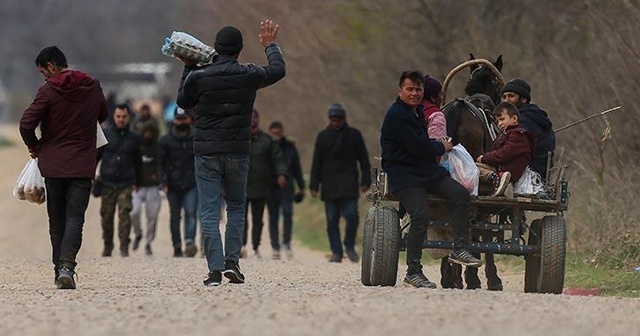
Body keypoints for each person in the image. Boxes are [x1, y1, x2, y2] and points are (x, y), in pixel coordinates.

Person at [176, 20, 286, 286]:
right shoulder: (248, 74)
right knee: (237, 207)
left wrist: (188, 65)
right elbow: (278, 70)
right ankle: (232, 263)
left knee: (210, 211)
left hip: (206, 151)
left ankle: (214, 270)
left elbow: (182, 102)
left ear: (215, 48)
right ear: (239, 50)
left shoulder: (199, 77)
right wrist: (270, 45)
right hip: (238, 150)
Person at [380, 70, 482, 288]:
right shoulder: (397, 115)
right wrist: (441, 146)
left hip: (424, 170)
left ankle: (460, 248)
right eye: (410, 89)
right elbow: (418, 146)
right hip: (404, 173)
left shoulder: (415, 112)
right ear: (400, 91)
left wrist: (435, 148)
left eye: (418, 89)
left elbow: (421, 148)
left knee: (460, 195)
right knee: (420, 215)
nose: (414, 93)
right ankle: (413, 271)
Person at [19, 46, 108, 289]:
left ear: (50, 65)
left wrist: (35, 146)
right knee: (75, 219)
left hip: (54, 165)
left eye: (42, 71)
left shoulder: (48, 91)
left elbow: (26, 123)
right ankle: (67, 267)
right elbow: (103, 113)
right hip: (82, 164)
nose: (43, 77)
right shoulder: (93, 85)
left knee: (56, 221)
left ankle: (59, 270)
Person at [310, 103, 371, 263]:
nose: (336, 122)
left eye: (338, 119)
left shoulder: (354, 135)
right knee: (331, 220)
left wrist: (366, 181)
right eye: (333, 119)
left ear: (344, 119)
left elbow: (363, 159)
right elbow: (316, 162)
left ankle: (349, 246)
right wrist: (314, 185)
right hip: (329, 184)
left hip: (349, 183)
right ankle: (336, 251)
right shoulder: (322, 136)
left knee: (352, 216)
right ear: (329, 119)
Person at [98, 104, 142, 258]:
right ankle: (107, 246)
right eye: (118, 117)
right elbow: (95, 157)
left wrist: (139, 181)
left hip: (126, 183)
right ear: (114, 117)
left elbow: (139, 162)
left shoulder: (135, 138)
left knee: (125, 214)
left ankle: (124, 246)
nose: (121, 119)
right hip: (107, 182)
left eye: (124, 117)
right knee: (107, 217)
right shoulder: (105, 135)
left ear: (128, 117)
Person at [243, 109, 287, 259]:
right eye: (249, 117)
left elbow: (278, 159)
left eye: (254, 117)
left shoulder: (267, 140)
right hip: (241, 186)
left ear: (258, 119)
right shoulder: (239, 138)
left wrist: (281, 174)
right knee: (240, 218)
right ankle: (241, 246)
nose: (252, 120)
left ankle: (255, 247)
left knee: (258, 220)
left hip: (261, 187)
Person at [158, 108, 198, 257]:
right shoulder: (165, 140)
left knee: (190, 212)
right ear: (174, 120)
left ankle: (189, 242)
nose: (182, 122)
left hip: (191, 182)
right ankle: (177, 245)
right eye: (179, 119)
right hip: (172, 184)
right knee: (175, 216)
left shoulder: (195, 137)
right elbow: (160, 163)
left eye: (184, 119)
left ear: (189, 119)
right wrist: (162, 181)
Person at [476, 102, 536, 196]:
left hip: (508, 171)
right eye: (497, 122)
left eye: (502, 119)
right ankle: (497, 179)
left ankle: (496, 177)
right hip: (499, 168)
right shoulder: (505, 135)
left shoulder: (519, 135)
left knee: (472, 168)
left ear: (514, 119)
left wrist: (484, 158)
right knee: (471, 166)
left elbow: (504, 154)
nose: (500, 124)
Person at [500, 78, 555, 180]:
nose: (506, 100)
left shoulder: (524, 120)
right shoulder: (534, 115)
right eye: (504, 97)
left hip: (530, 174)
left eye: (511, 96)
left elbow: (511, 150)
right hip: (538, 173)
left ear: (523, 99)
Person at [266, 120, 305, 260]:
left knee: (288, 214)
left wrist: (302, 186)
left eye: (278, 132)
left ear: (282, 132)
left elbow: (297, 168)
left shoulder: (290, 147)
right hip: (270, 187)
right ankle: (275, 247)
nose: (276, 135)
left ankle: (287, 244)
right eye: (274, 133)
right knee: (273, 217)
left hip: (287, 187)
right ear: (270, 132)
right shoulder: (267, 146)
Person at [130, 122, 162, 256]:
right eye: (145, 132)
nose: (148, 135)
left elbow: (162, 165)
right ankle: (138, 234)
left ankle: (148, 242)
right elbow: (131, 164)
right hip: (138, 186)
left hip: (153, 187)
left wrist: (159, 177)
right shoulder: (137, 147)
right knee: (134, 212)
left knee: (152, 216)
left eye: (150, 132)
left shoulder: (158, 148)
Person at [421, 75, 447, 139]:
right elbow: (438, 144)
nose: (442, 98)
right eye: (440, 94)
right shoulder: (436, 116)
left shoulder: (410, 110)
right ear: (433, 98)